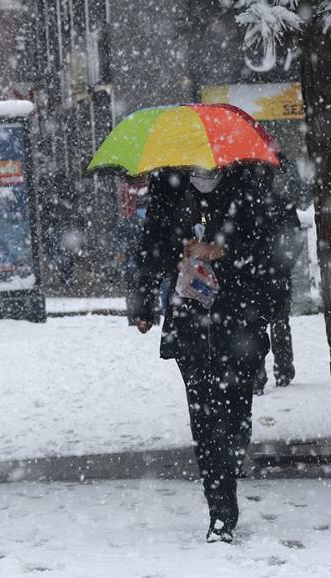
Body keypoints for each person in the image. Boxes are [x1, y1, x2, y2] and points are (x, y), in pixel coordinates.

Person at [128, 165, 278, 544]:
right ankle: (221, 510)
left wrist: (221, 251)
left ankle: (230, 462)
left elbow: (268, 247)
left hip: (239, 318)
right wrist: (144, 302)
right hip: (191, 319)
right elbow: (152, 245)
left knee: (236, 412)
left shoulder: (247, 181)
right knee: (205, 416)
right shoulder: (168, 185)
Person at [253, 191, 303, 394]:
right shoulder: (282, 203)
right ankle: (283, 370)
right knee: (280, 322)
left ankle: (257, 375)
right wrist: (284, 265)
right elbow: (295, 238)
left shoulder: (246, 202)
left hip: (256, 274)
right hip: (276, 273)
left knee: (256, 324)